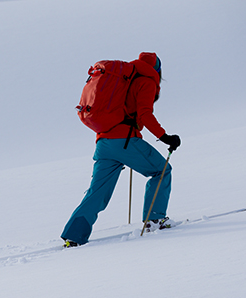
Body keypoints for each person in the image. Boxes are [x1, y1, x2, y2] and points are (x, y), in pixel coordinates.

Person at [61, 52, 181, 247]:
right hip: (124, 140)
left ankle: (74, 235)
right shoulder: (146, 81)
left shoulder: (124, 77)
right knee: (162, 170)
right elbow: (144, 114)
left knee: (97, 192)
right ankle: (155, 219)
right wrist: (165, 137)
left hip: (103, 143)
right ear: (157, 70)